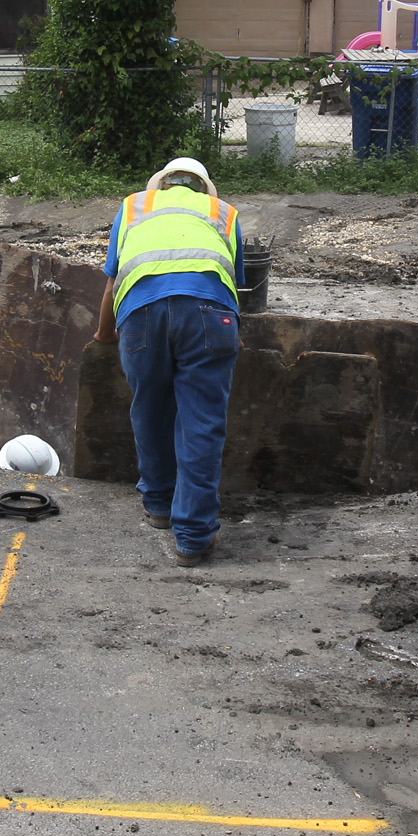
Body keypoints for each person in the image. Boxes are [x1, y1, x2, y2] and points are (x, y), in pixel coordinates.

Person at [92, 156, 245, 566]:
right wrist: (230, 335)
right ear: (204, 188)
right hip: (210, 317)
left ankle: (159, 505)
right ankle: (193, 538)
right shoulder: (223, 213)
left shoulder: (133, 207)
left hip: (141, 313)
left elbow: (112, 281)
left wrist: (105, 334)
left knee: (150, 409)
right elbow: (229, 283)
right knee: (202, 422)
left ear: (159, 185)